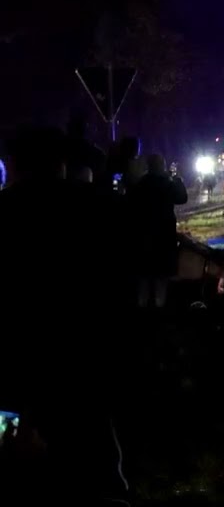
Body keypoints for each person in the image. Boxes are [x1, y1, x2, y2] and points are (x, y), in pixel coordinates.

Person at [0, 127, 127, 504]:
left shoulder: (4, 212)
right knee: (94, 454)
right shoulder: (100, 207)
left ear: (13, 165)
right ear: (61, 164)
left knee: (22, 461)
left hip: (20, 360)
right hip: (87, 356)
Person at [126, 154, 189, 308]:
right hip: (164, 236)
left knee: (144, 277)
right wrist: (178, 179)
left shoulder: (140, 184)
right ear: (161, 166)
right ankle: (159, 309)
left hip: (143, 236)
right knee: (161, 278)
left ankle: (142, 308)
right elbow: (182, 198)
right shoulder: (167, 184)